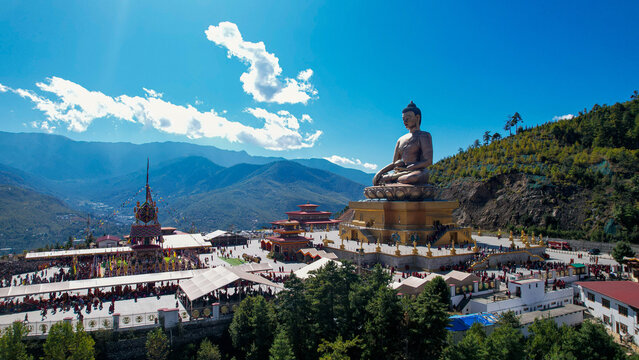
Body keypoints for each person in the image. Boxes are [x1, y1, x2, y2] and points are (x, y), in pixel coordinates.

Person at [373, 101, 433, 186]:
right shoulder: (400, 139)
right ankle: (395, 182)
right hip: (401, 171)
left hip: (417, 172)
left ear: (417, 117)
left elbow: (428, 161)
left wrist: (412, 166)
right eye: (403, 119)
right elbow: (395, 163)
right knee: (378, 179)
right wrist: (380, 172)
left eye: (408, 117)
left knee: (409, 178)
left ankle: (394, 183)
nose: (405, 121)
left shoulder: (424, 135)